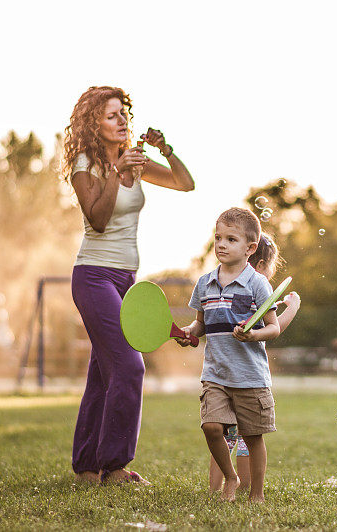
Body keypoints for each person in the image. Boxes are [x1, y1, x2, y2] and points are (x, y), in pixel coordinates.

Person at [62, 86, 195, 485]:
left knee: (103, 373)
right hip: (93, 276)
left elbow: (184, 184)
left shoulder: (132, 159)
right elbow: (98, 220)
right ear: (93, 124)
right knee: (129, 365)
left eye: (123, 114)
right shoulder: (85, 164)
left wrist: (166, 150)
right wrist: (118, 177)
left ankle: (87, 468)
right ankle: (115, 467)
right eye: (111, 116)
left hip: (126, 279)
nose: (121, 122)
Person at [176, 208, 281, 502]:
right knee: (211, 426)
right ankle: (231, 477)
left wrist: (254, 334)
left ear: (249, 249)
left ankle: (256, 493)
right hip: (216, 374)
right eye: (218, 237)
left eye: (231, 239)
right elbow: (200, 323)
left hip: (249, 375)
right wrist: (189, 333)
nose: (221, 244)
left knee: (252, 436)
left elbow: (273, 328)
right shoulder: (204, 283)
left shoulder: (258, 283)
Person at [206, 232, 300, 494]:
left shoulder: (227, 288)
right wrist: (293, 307)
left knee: (223, 436)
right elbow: (274, 327)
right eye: (269, 270)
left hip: (223, 374)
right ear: (259, 267)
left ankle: (217, 488)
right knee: (248, 436)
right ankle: (244, 485)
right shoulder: (253, 291)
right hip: (246, 377)